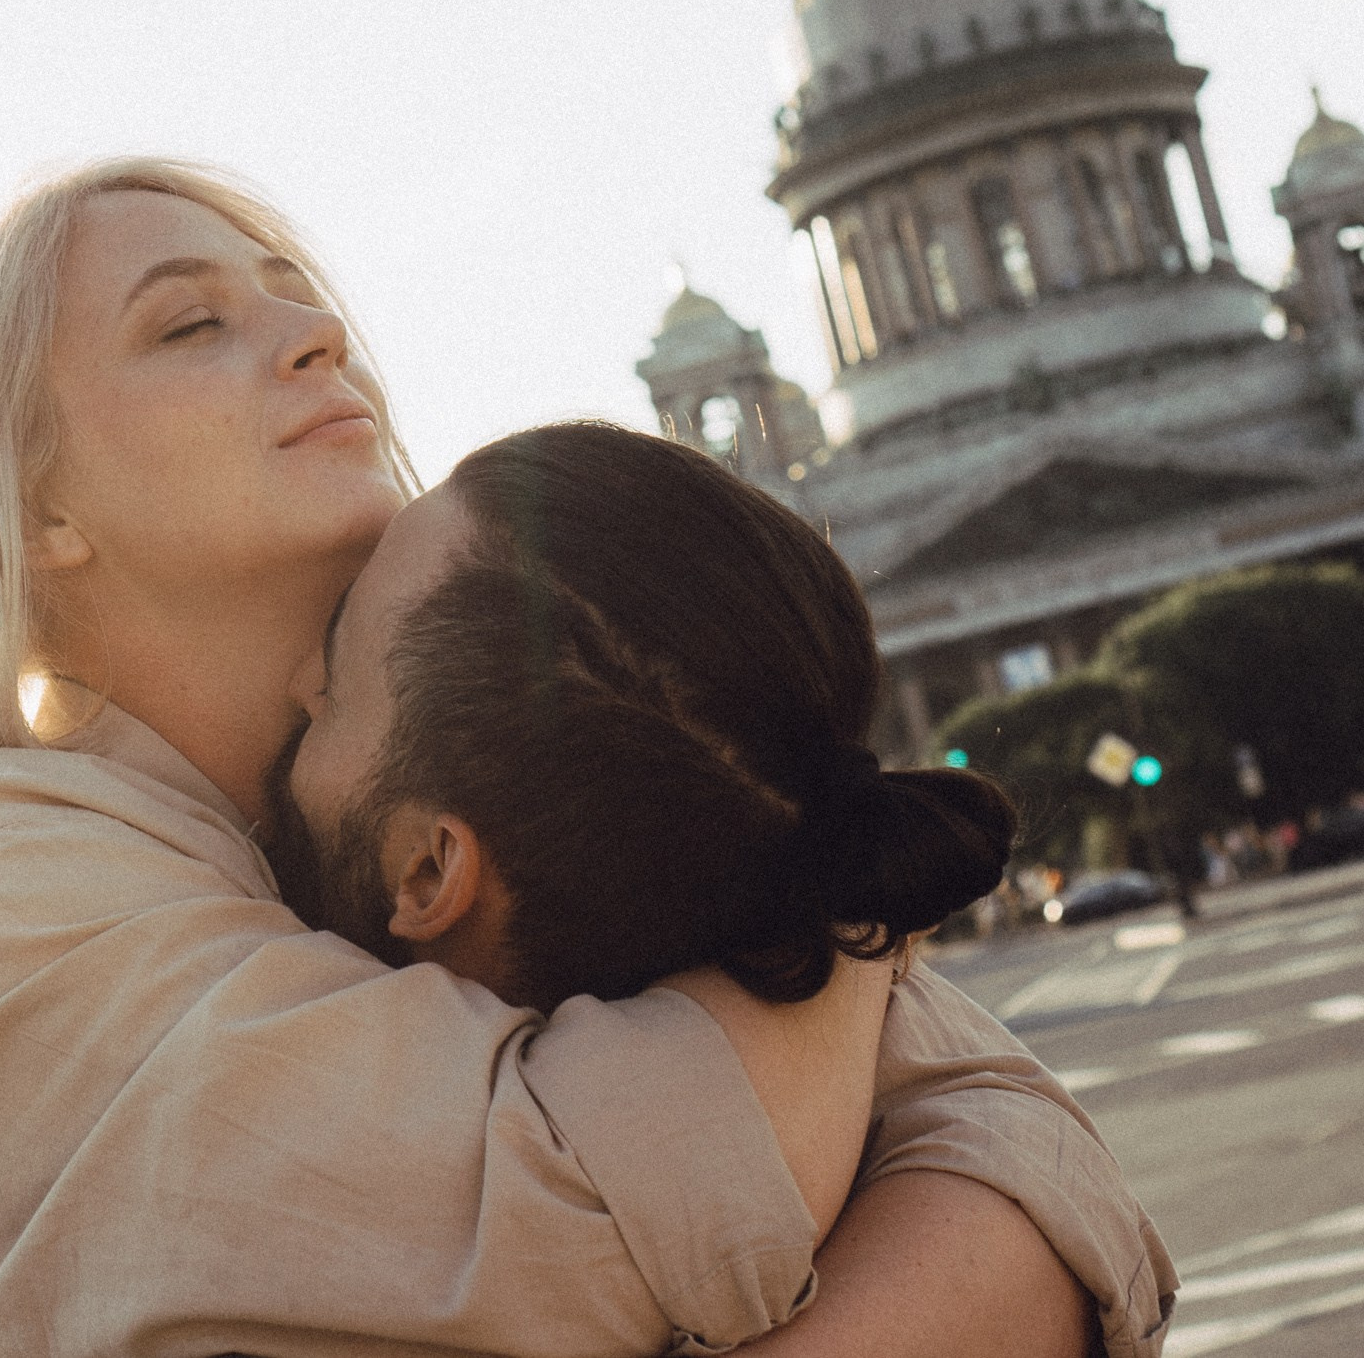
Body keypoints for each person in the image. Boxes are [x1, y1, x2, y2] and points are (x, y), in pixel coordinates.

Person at [0, 159, 1171, 1357]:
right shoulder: (6, 889)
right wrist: (820, 853)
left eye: (297, 293)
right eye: (191, 322)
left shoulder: (415, 780)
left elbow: (1039, 1157)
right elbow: (609, 1210)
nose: (317, 333)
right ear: (35, 508)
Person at [265, 421, 1171, 1357]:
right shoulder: (974, 1168)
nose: (295, 683)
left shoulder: (332, 1191)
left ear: (429, 870)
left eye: (336, 678)